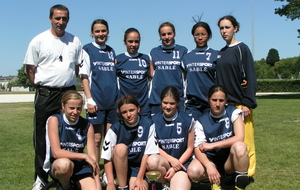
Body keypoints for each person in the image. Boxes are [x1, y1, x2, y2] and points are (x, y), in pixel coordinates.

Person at [23, 4, 83, 189]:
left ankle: (68, 174)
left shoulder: (75, 41)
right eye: (57, 18)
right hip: (46, 94)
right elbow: (29, 69)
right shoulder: (39, 40)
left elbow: (78, 68)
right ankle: (41, 178)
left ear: (68, 19)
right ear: (50, 18)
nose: (61, 22)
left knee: (70, 134)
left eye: (64, 18)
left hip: (68, 92)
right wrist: (42, 86)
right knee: (42, 138)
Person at [216, 15, 257, 177]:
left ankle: (247, 174)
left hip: (241, 105)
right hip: (226, 107)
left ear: (235, 28)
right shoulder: (221, 53)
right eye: (221, 28)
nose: (224, 31)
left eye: (227, 27)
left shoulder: (242, 49)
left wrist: (247, 102)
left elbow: (251, 77)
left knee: (246, 141)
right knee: (230, 142)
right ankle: (231, 172)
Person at [188, 84, 250, 190]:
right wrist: (208, 165)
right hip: (212, 159)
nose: (217, 104)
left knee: (240, 147)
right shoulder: (201, 121)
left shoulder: (234, 112)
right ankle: (211, 180)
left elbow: (239, 138)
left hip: (229, 161)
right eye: (214, 100)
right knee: (193, 171)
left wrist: (212, 145)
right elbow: (198, 148)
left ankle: (238, 183)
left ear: (226, 100)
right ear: (208, 100)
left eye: (221, 100)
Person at [80, 19, 119, 164]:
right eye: (97, 31)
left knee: (110, 139)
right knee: (96, 139)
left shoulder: (111, 51)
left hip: (112, 102)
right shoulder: (87, 49)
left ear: (108, 32)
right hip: (96, 101)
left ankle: (107, 171)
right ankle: (95, 169)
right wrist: (89, 100)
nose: (100, 34)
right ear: (92, 33)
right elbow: (84, 76)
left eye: (103, 31)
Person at [101, 95, 159, 190]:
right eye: (124, 112)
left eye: (132, 110)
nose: (128, 115)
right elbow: (106, 157)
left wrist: (139, 178)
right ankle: (122, 187)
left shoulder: (148, 124)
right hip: (120, 167)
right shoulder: (115, 128)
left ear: (138, 109)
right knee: (120, 148)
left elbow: (147, 153)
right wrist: (111, 183)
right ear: (120, 113)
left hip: (139, 168)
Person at [46, 90, 101, 190]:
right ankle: (66, 187)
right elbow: (56, 153)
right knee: (65, 165)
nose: (75, 112)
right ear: (63, 106)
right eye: (71, 108)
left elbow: (92, 159)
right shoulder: (55, 120)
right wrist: (84, 156)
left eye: (78, 108)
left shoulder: (87, 126)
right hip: (60, 165)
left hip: (80, 167)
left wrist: (98, 185)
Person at [147, 86, 194, 190]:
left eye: (172, 103)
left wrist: (176, 165)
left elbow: (190, 148)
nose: (168, 106)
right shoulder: (153, 120)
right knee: (152, 161)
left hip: (181, 165)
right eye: (165, 102)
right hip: (164, 164)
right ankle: (165, 183)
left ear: (177, 103)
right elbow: (154, 146)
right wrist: (171, 160)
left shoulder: (187, 120)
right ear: (161, 102)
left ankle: (177, 180)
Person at [148, 22, 188, 116]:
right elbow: (151, 72)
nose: (167, 37)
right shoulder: (154, 52)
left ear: (174, 34)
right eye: (163, 34)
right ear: (160, 36)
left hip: (177, 99)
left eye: (169, 33)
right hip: (157, 99)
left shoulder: (183, 51)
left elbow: (186, 73)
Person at [182, 20, 218, 119]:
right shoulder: (186, 57)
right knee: (192, 133)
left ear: (209, 35)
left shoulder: (216, 55)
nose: (200, 37)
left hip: (211, 103)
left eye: (203, 34)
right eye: (197, 34)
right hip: (192, 105)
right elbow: (183, 79)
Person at [116, 28, 151, 117]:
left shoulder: (146, 58)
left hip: (143, 106)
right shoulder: (118, 59)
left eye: (136, 41)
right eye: (130, 41)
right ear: (125, 42)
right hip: (126, 107)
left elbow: (153, 76)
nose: (133, 44)